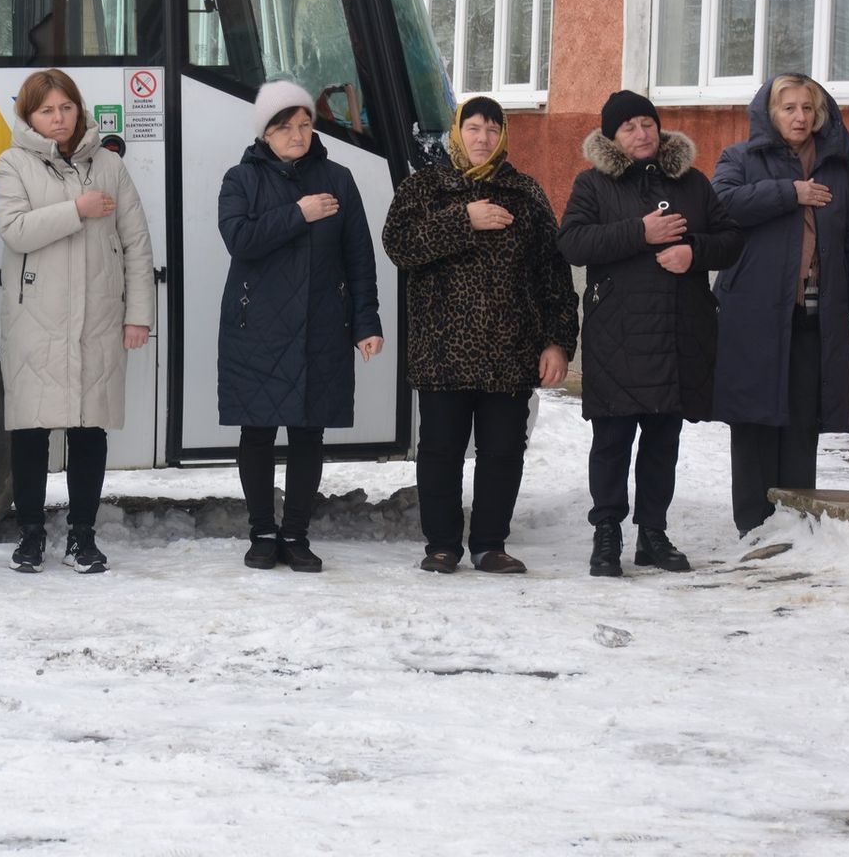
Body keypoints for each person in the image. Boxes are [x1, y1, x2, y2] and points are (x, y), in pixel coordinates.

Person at [382, 96, 578, 575]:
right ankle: (442, 545)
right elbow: (398, 246)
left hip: (509, 352)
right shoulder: (425, 187)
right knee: (441, 451)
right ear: (457, 131)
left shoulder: (525, 193)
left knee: (502, 452)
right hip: (442, 350)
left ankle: (490, 544)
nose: (482, 139)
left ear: (503, 137)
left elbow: (554, 276)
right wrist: (462, 221)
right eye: (473, 128)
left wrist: (557, 342)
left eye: (492, 129)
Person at [558, 91, 742, 578]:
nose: (641, 134)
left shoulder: (693, 183)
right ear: (612, 137)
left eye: (647, 124)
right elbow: (573, 242)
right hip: (617, 332)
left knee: (664, 439)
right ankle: (607, 534)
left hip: (680, 331)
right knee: (612, 439)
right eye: (629, 128)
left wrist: (693, 253)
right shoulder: (593, 185)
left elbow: (731, 241)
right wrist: (640, 232)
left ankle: (653, 534)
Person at [217, 81, 383, 573]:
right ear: (265, 133)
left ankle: (297, 534)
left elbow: (360, 258)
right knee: (258, 431)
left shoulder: (339, 179)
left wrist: (366, 323)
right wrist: (298, 213)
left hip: (322, 324)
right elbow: (239, 239)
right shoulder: (240, 179)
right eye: (285, 127)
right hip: (257, 327)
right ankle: (262, 533)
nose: (297, 134)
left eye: (305, 124)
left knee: (309, 433)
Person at [0, 69, 154, 574]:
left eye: (66, 108)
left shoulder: (108, 164)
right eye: (46, 110)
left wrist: (139, 315)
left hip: (99, 316)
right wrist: (76, 209)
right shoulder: (12, 163)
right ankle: (31, 537)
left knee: (89, 430)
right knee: (31, 431)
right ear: (28, 116)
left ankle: (83, 536)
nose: (58, 118)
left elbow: (136, 244)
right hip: (35, 318)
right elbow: (15, 230)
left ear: (79, 109)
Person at [713, 75, 849, 537]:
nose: (800, 117)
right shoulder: (740, 158)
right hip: (754, 314)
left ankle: (794, 520)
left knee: (803, 419)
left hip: (814, 316)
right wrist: (791, 193)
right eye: (789, 108)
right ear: (770, 113)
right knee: (754, 418)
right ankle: (753, 523)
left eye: (808, 108)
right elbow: (722, 205)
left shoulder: (838, 169)